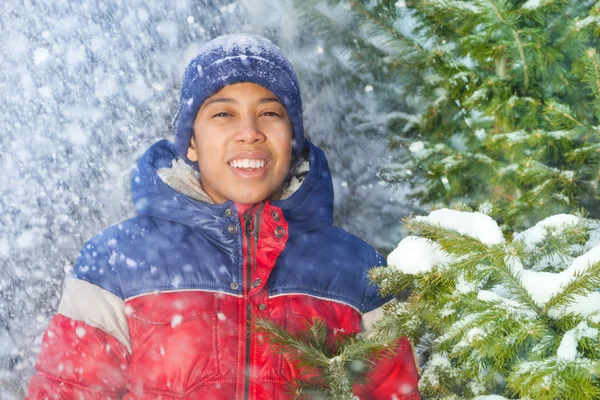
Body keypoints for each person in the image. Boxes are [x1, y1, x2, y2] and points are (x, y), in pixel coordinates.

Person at [26, 34, 420, 399]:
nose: (249, 132)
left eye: (269, 113)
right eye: (223, 114)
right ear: (192, 144)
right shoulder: (116, 262)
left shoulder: (356, 269)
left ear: (292, 139)